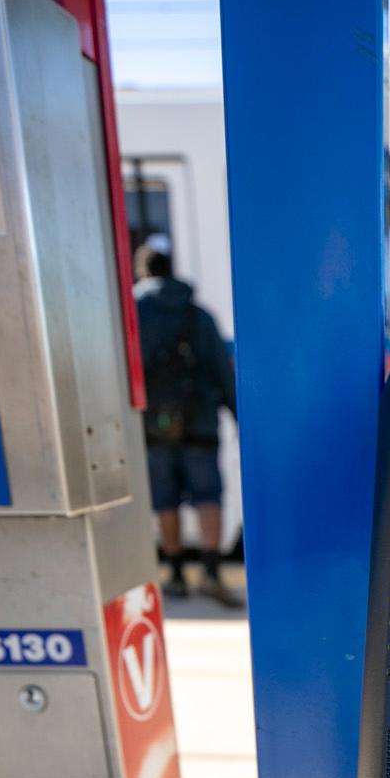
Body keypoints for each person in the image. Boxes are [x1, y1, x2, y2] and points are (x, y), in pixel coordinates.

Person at [133, 235, 240, 605]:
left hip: (153, 427)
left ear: (143, 271)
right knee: (208, 495)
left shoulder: (134, 315)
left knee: (165, 500)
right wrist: (238, 415)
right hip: (201, 423)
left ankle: (176, 572)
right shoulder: (199, 314)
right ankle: (211, 572)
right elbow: (221, 372)